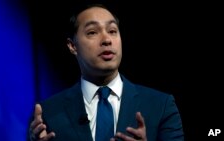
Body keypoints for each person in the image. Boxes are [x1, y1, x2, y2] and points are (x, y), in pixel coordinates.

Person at [28, 3, 184, 141]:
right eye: (92, 32)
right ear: (72, 46)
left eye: (112, 30)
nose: (107, 39)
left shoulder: (161, 106)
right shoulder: (47, 114)